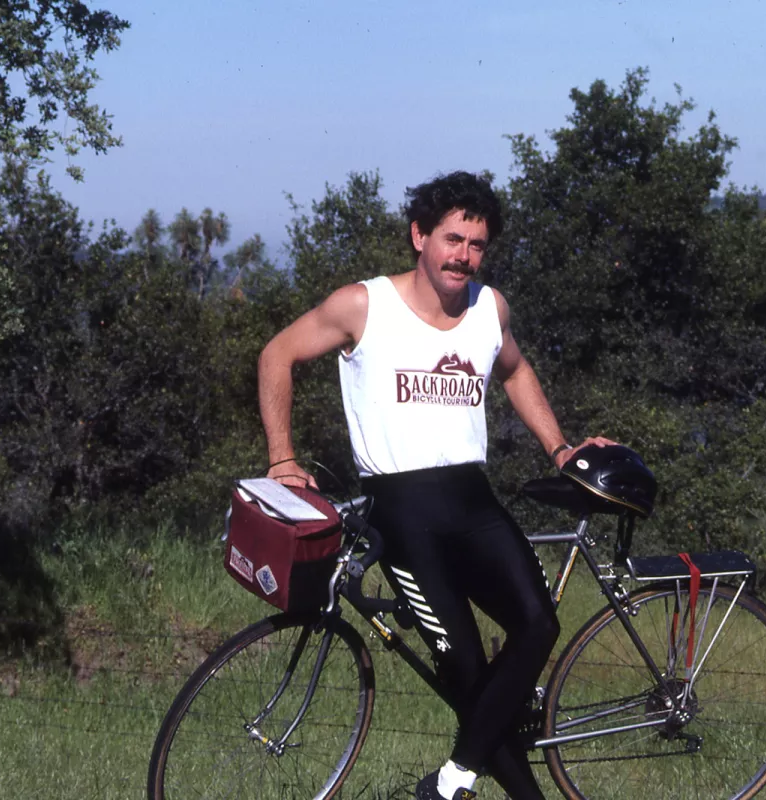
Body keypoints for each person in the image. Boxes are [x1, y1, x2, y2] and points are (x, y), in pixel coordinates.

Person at [257, 170, 612, 800]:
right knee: (470, 675)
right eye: (453, 240)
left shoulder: (488, 308)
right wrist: (282, 458)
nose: (464, 257)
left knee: (538, 625)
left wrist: (560, 447)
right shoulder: (363, 305)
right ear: (419, 235)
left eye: (477, 246)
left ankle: (452, 781)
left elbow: (516, 368)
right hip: (401, 513)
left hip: (472, 500)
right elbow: (276, 354)